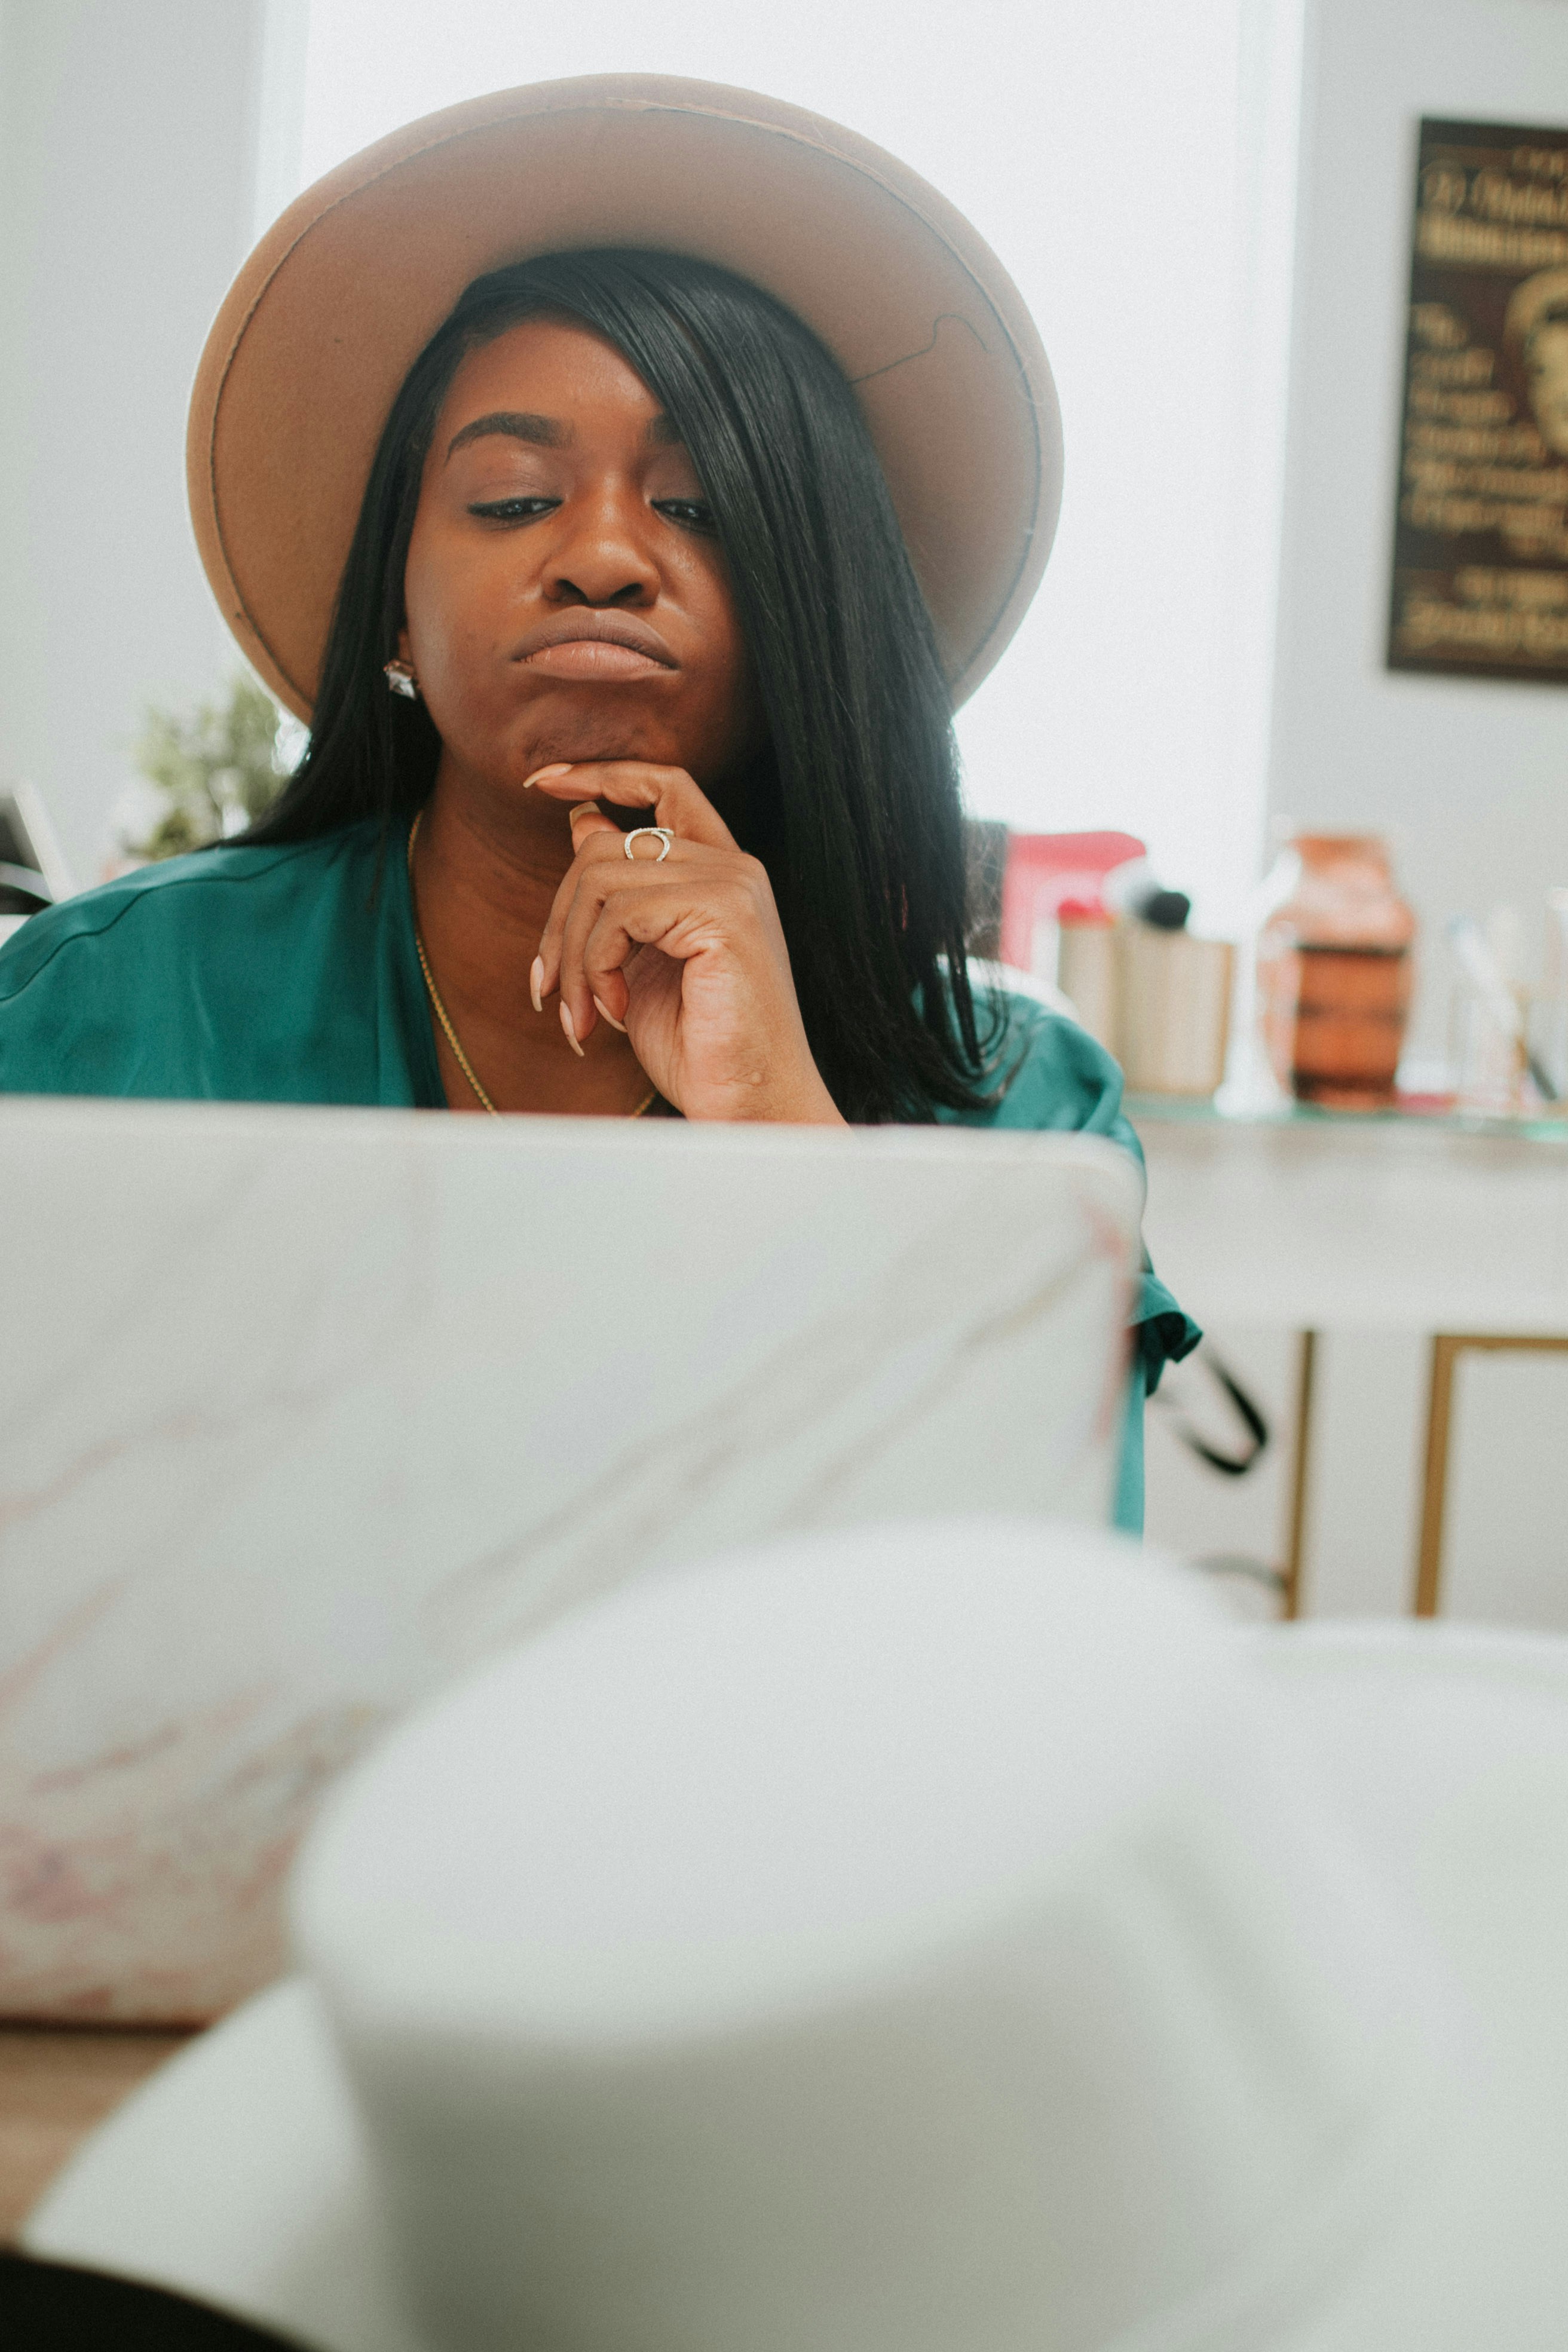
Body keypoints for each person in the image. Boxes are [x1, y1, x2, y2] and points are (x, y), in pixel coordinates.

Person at [0, 78, 1195, 1523]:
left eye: (698, 509)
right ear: (392, 603)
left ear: (807, 619)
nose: (603, 559)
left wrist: (785, 1133)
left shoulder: (1018, 1104)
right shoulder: (103, 1006)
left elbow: (1044, 1637)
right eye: (511, 499)